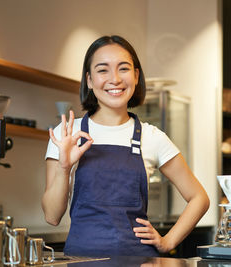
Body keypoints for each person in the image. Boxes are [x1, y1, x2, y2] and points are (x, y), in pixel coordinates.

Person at [42, 35, 210, 257]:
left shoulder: (153, 137)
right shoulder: (67, 135)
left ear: (136, 75)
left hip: (139, 259)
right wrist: (64, 168)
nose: (115, 79)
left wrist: (167, 241)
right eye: (103, 70)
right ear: (89, 80)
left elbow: (199, 198)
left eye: (123, 68)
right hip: (81, 261)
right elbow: (52, 217)